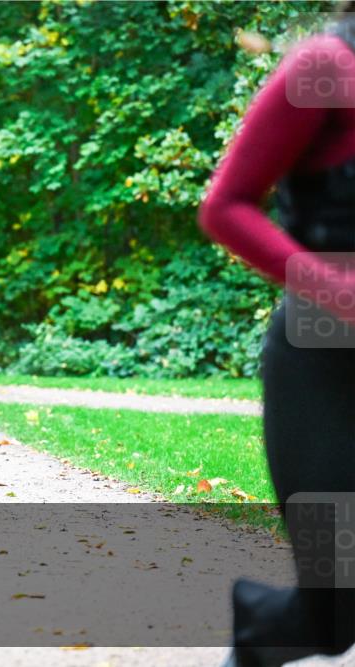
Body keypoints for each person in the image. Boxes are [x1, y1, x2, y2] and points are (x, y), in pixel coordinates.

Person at [199, 8, 354, 666]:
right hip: (323, 367)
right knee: (335, 603)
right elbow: (225, 206)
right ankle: (262, 635)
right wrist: (341, 293)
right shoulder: (327, 67)